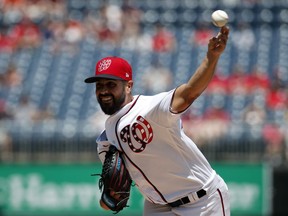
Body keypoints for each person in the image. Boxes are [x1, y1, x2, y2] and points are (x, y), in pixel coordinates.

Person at [85, 26, 230, 216]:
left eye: (111, 84)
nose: (104, 90)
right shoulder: (105, 140)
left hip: (202, 201)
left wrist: (211, 58)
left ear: (129, 86)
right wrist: (109, 197)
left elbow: (189, 93)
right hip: (157, 207)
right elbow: (113, 196)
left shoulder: (151, 108)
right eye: (100, 85)